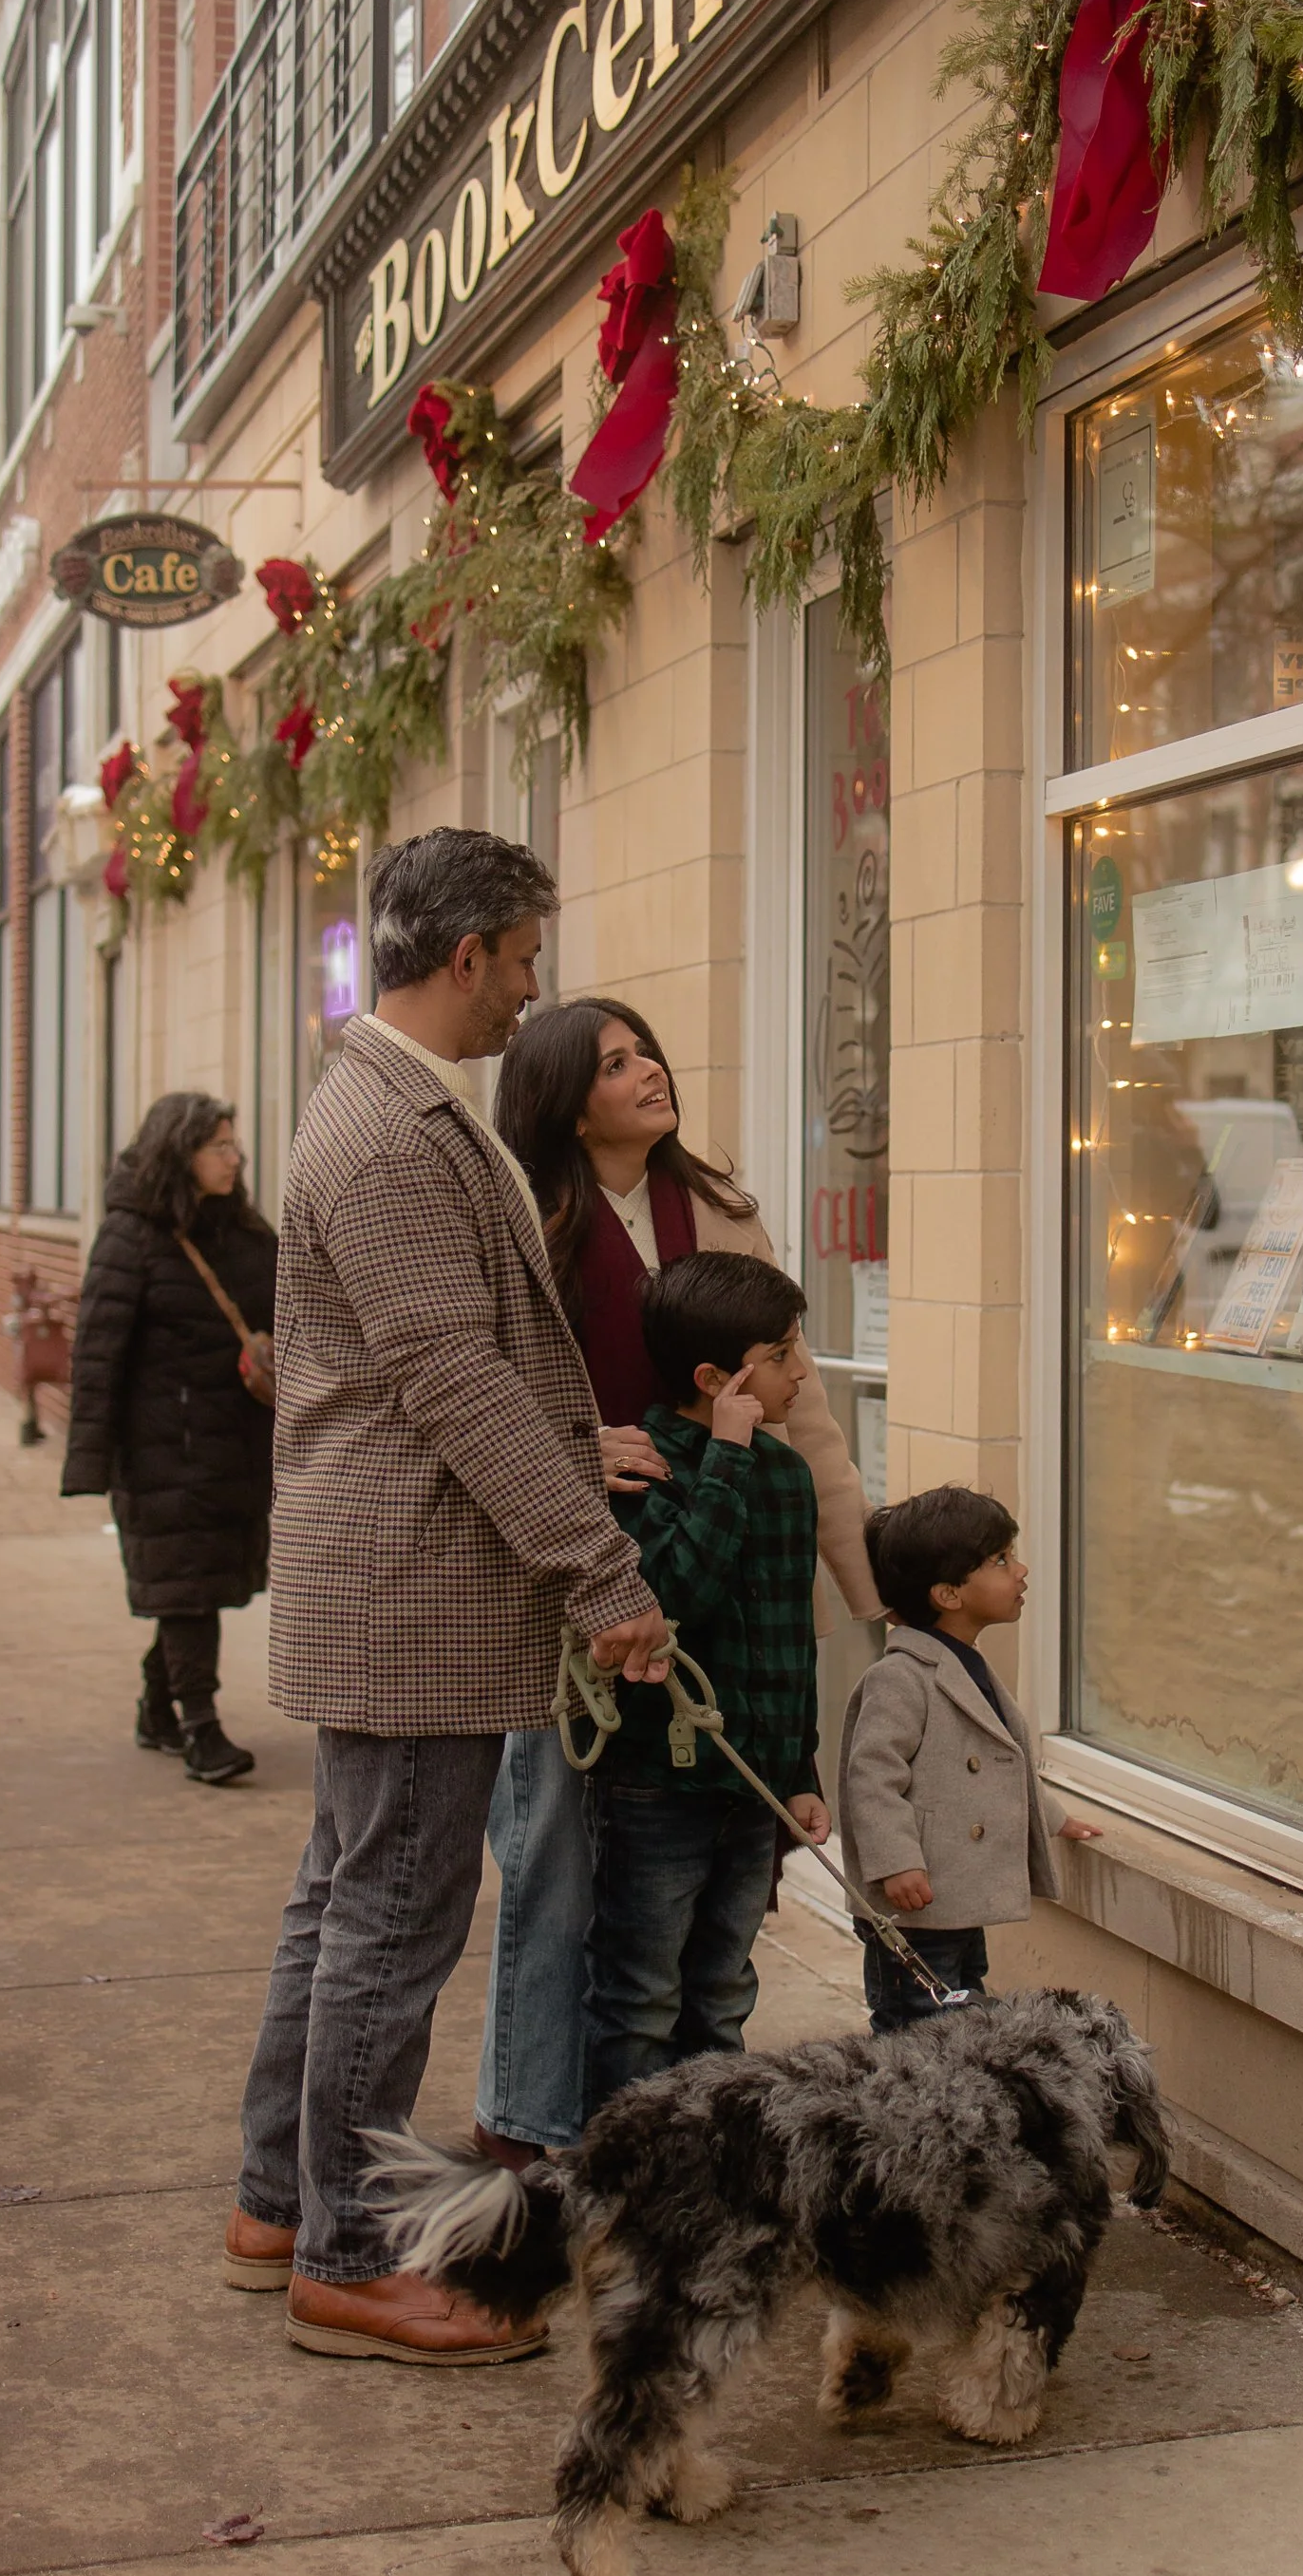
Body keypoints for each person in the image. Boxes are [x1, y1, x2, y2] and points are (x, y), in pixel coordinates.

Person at [228, 827, 668, 2363]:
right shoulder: (392, 1132)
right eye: (527, 959)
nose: (535, 989)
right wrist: (600, 1570)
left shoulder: (397, 1104)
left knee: (344, 1903)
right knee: (391, 1925)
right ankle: (348, 2256)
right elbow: (454, 1382)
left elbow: (454, 1370)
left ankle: (279, 2202)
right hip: (413, 1587)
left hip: (399, 1579)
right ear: (468, 953)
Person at [473, 997, 881, 2163]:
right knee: (550, 1861)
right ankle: (528, 2123)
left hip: (717, 1577)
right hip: (562, 1576)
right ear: (565, 1102)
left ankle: (672, 2137)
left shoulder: (719, 1211)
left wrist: (869, 1597)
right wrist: (572, 1446)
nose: (649, 1068)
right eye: (614, 1063)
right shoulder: (518, 1219)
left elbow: (804, 1416)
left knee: (695, 1906)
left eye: (645, 1049)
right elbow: (477, 1393)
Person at [582, 1249, 830, 2113]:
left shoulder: (789, 1477)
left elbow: (794, 1643)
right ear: (716, 1379)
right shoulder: (641, 1470)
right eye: (782, 1354)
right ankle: (620, 2168)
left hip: (751, 1789)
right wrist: (725, 1455)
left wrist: (799, 1772)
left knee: (723, 1993)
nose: (802, 1372)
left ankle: (706, 2163)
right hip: (661, 1788)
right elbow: (677, 1596)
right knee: (639, 1995)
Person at [63, 1093, 275, 1786]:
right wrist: (89, 1459)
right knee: (188, 1588)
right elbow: (97, 1355)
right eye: (219, 1146)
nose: (235, 1157)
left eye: (233, 1144)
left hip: (234, 1444)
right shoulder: (130, 1237)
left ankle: (158, 1706)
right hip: (161, 1449)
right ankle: (200, 1728)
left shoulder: (243, 1230)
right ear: (180, 1154)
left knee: (197, 1584)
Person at [837, 1488, 1099, 2030]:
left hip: (957, 1893)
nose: (1021, 1570)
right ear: (948, 1594)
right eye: (1000, 1560)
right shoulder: (900, 1677)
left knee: (962, 2019)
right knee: (914, 2027)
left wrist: (1054, 1818)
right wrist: (895, 1862)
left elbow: (1000, 1761)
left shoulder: (965, 1662)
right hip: (916, 1901)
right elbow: (872, 1779)